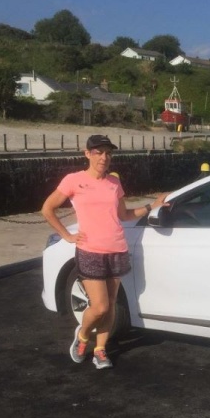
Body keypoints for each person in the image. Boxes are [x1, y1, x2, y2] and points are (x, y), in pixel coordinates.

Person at [41, 134, 168, 369]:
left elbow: (124, 215)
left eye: (108, 153)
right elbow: (47, 208)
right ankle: (83, 336)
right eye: (98, 152)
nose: (104, 157)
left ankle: (100, 349)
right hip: (90, 251)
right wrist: (67, 235)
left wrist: (152, 205)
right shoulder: (73, 180)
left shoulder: (114, 183)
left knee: (110, 303)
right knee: (99, 306)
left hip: (117, 249)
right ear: (87, 154)